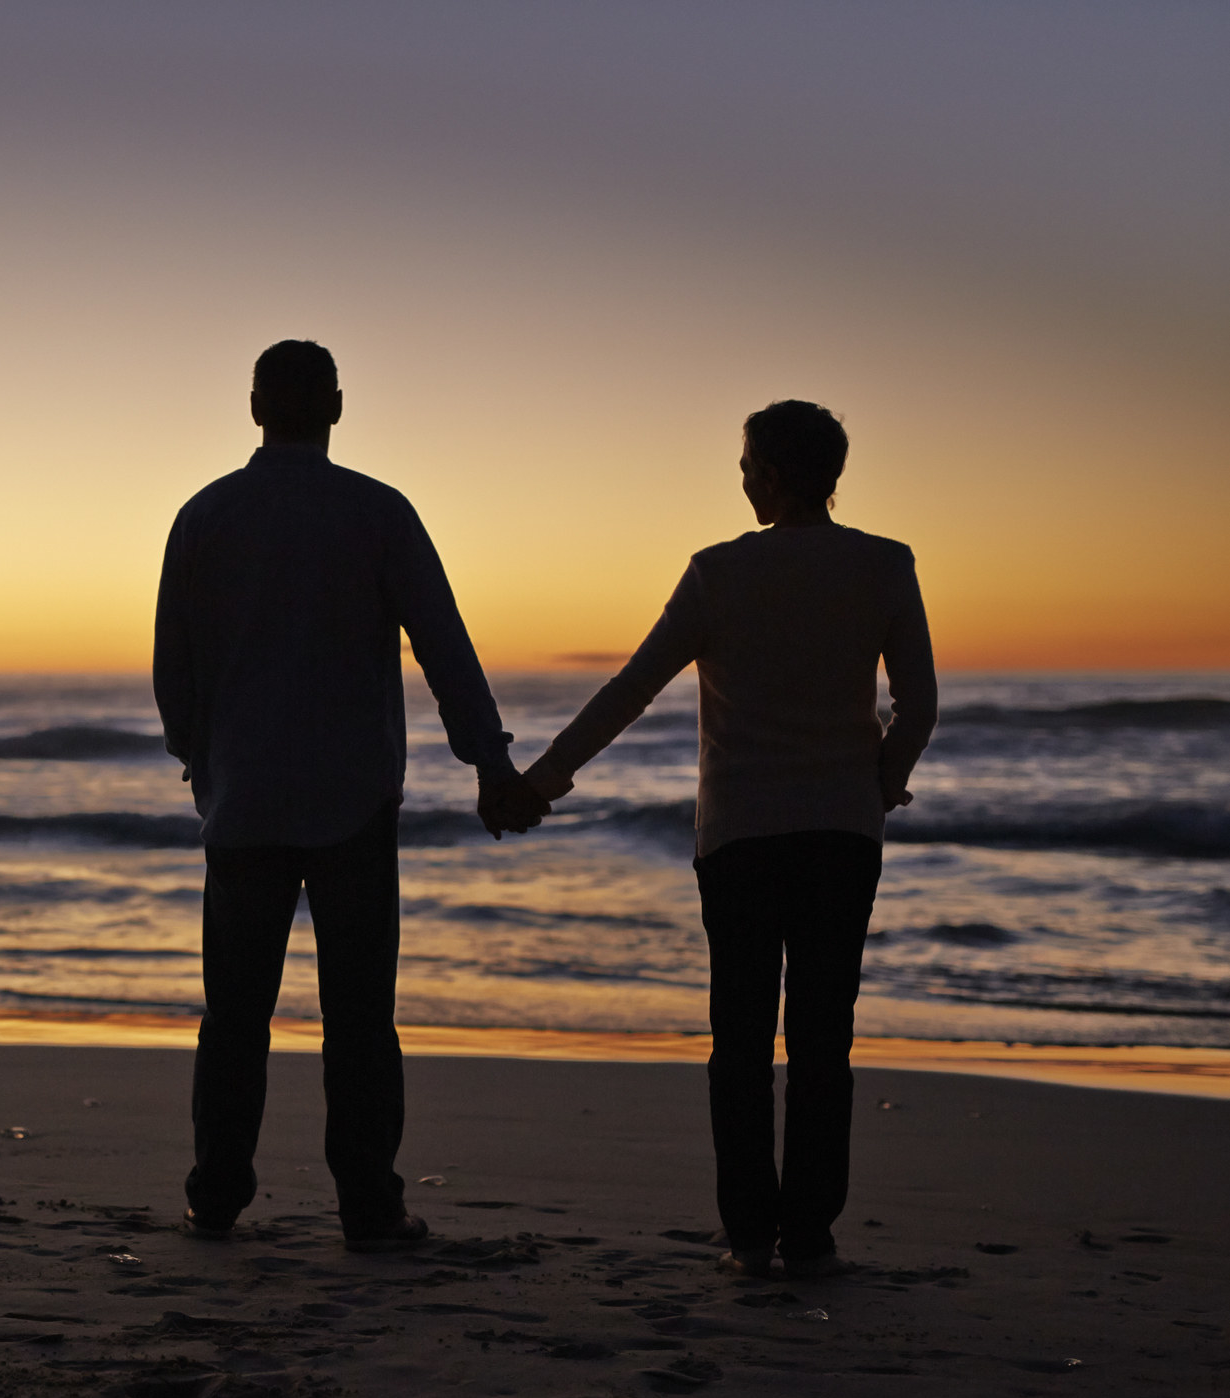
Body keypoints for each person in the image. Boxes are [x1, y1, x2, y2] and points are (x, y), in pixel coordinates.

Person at [520, 399, 936, 1280]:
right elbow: (918, 702)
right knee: (824, 1037)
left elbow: (629, 691)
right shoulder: (885, 565)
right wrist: (882, 778)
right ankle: (811, 1233)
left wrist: (544, 779)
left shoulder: (717, 573)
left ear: (774, 476)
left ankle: (749, 1235)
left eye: (746, 465)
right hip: (841, 833)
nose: (740, 478)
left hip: (740, 836)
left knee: (740, 1038)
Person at [153, 339, 545, 1251]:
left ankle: (216, 1197)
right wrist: (486, 762)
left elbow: (176, 669)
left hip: (244, 800)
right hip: (353, 800)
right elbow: (442, 645)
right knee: (360, 1020)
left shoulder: (204, 516)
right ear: (335, 407)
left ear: (254, 407)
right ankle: (367, 1206)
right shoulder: (375, 512)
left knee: (234, 1018)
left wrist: (198, 762)